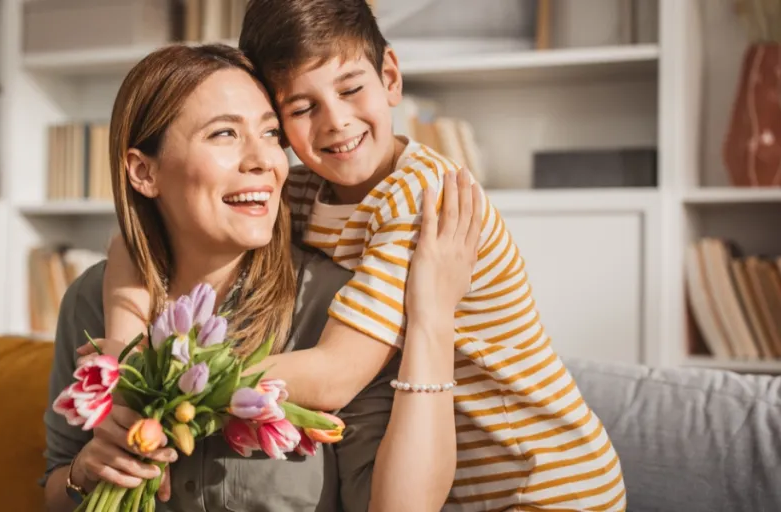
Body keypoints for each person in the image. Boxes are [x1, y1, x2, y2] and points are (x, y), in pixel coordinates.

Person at [101, 0, 627, 510]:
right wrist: (122, 359)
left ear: (390, 77)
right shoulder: (306, 189)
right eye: (302, 109)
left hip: (547, 481)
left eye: (352, 89)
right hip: (454, 483)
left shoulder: (419, 197)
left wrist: (167, 382)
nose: (335, 122)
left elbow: (337, 375)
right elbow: (135, 240)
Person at [41, 43, 481, 512]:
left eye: (271, 133)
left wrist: (433, 315)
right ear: (143, 171)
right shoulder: (92, 299)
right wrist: (84, 473)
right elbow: (57, 483)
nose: (264, 161)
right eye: (225, 134)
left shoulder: (336, 306)